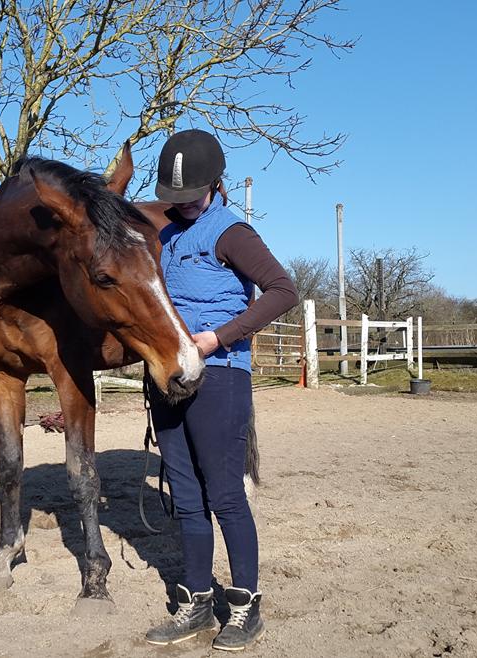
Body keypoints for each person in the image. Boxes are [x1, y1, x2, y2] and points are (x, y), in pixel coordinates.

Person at [143, 129, 299, 651]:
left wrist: (219, 336)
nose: (181, 205)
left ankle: (245, 605)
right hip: (167, 377)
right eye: (173, 197)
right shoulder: (163, 239)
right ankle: (197, 601)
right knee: (185, 497)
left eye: (189, 195)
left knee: (225, 495)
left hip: (220, 375)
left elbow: (283, 291)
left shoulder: (232, 232)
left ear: (214, 184)